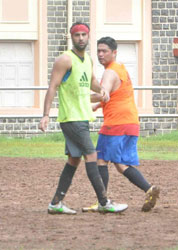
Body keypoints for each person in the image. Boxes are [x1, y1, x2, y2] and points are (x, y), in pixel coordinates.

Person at [39, 23, 128, 214]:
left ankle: (56, 203)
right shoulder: (65, 59)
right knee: (92, 155)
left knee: (74, 159)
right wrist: (45, 115)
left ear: (88, 37)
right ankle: (104, 202)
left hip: (81, 117)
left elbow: (92, 82)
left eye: (84, 35)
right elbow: (52, 87)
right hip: (71, 118)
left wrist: (102, 89)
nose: (81, 38)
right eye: (77, 35)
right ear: (72, 37)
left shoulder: (87, 60)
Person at [83, 36, 160, 213]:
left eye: (105, 51)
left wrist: (79, 97)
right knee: (120, 164)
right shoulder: (121, 69)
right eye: (99, 51)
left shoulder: (110, 72)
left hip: (115, 124)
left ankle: (102, 202)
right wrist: (97, 106)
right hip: (131, 123)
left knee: (101, 159)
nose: (101, 54)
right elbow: (116, 94)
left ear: (114, 53)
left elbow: (104, 93)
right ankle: (149, 189)